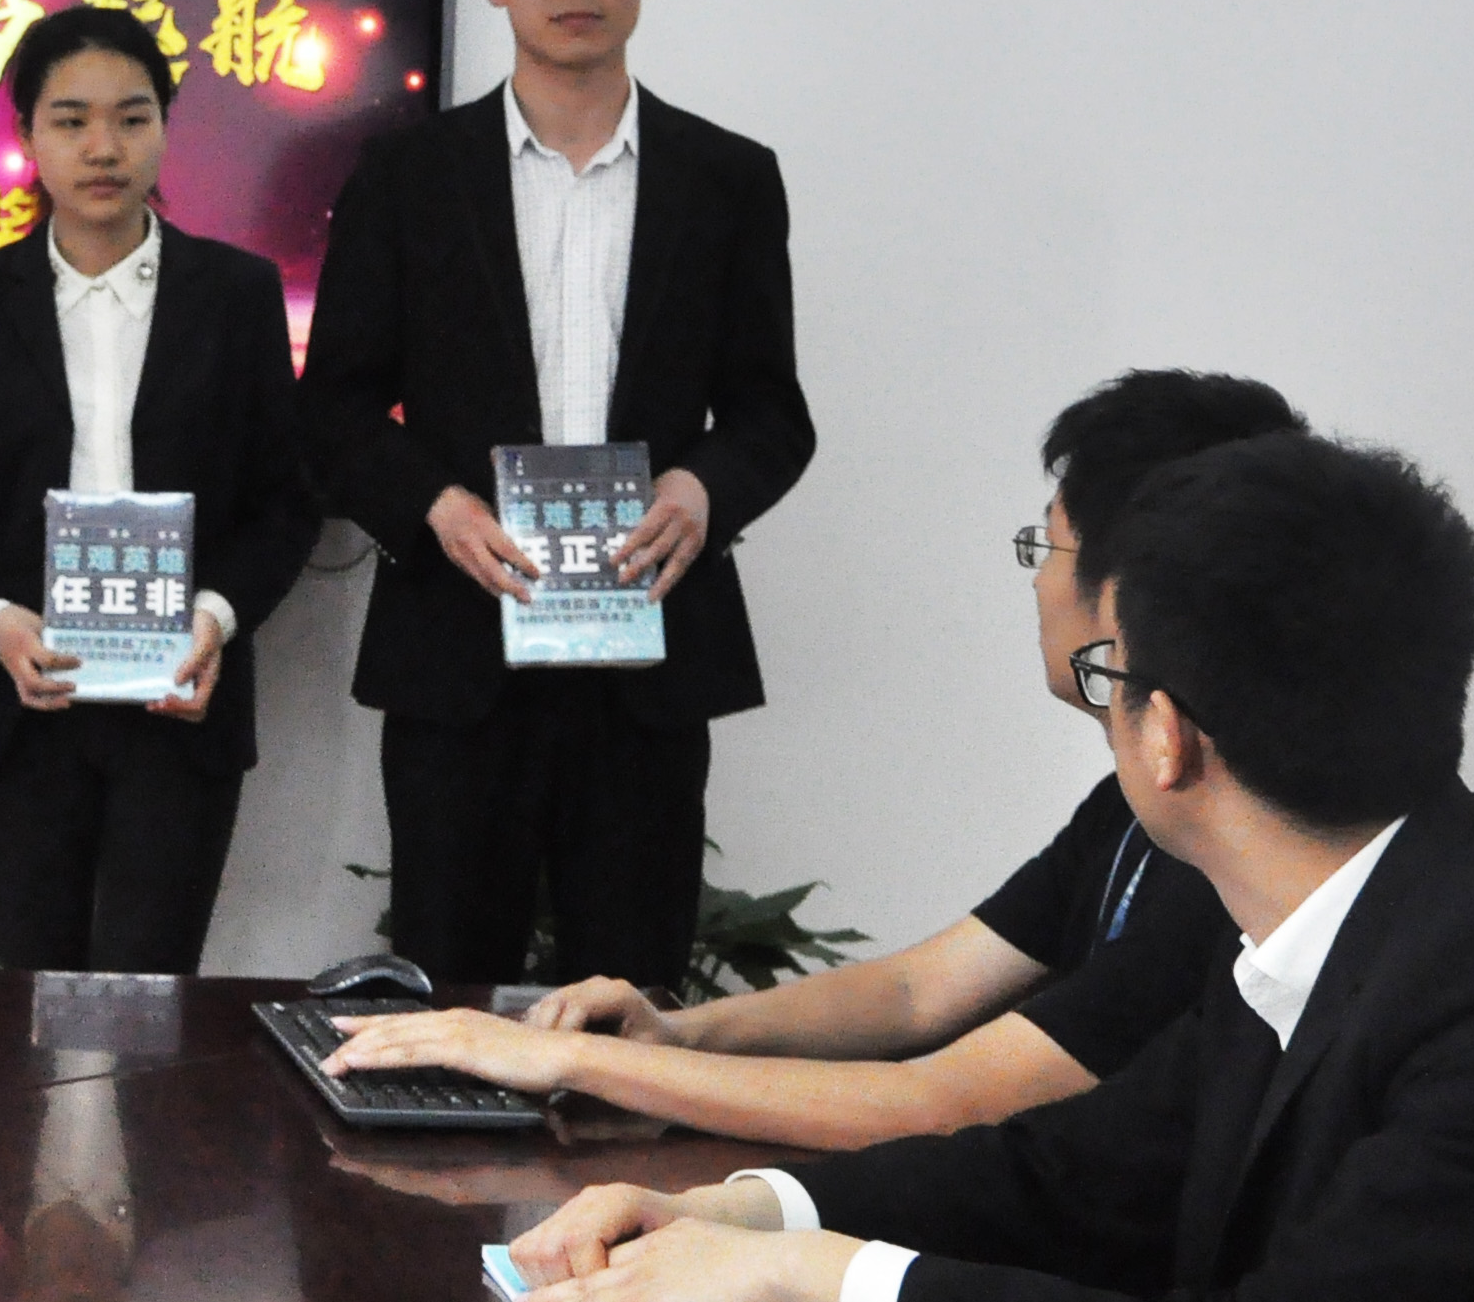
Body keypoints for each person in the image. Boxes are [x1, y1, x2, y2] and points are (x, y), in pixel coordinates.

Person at [502, 433, 1474, 1302]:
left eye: (1111, 674)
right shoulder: (1335, 917)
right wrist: (732, 1211)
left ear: (1167, 735)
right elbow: (1065, 1173)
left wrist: (807, 1276)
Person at [325, 370, 1299, 1146]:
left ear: (1130, 584)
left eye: (1044, 548)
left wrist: (575, 1062)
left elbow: (941, 1099)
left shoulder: (1230, 850)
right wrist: (674, 1031)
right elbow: (917, 993)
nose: (1037, 582)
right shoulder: (1127, 806)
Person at [302, 0, 816, 994]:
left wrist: (702, 488)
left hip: (646, 646)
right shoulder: (406, 178)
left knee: (629, 994)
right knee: (449, 982)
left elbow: (771, 412)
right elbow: (331, 407)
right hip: (459, 639)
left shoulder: (727, 179)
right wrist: (435, 507)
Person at [0, 5, 317, 974]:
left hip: (177, 709)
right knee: (26, 999)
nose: (103, 148)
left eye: (131, 117)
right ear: (27, 134)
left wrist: (212, 618)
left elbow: (284, 505)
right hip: (22, 707)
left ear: (164, 126)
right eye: (71, 119)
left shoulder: (237, 294)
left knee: (149, 999)